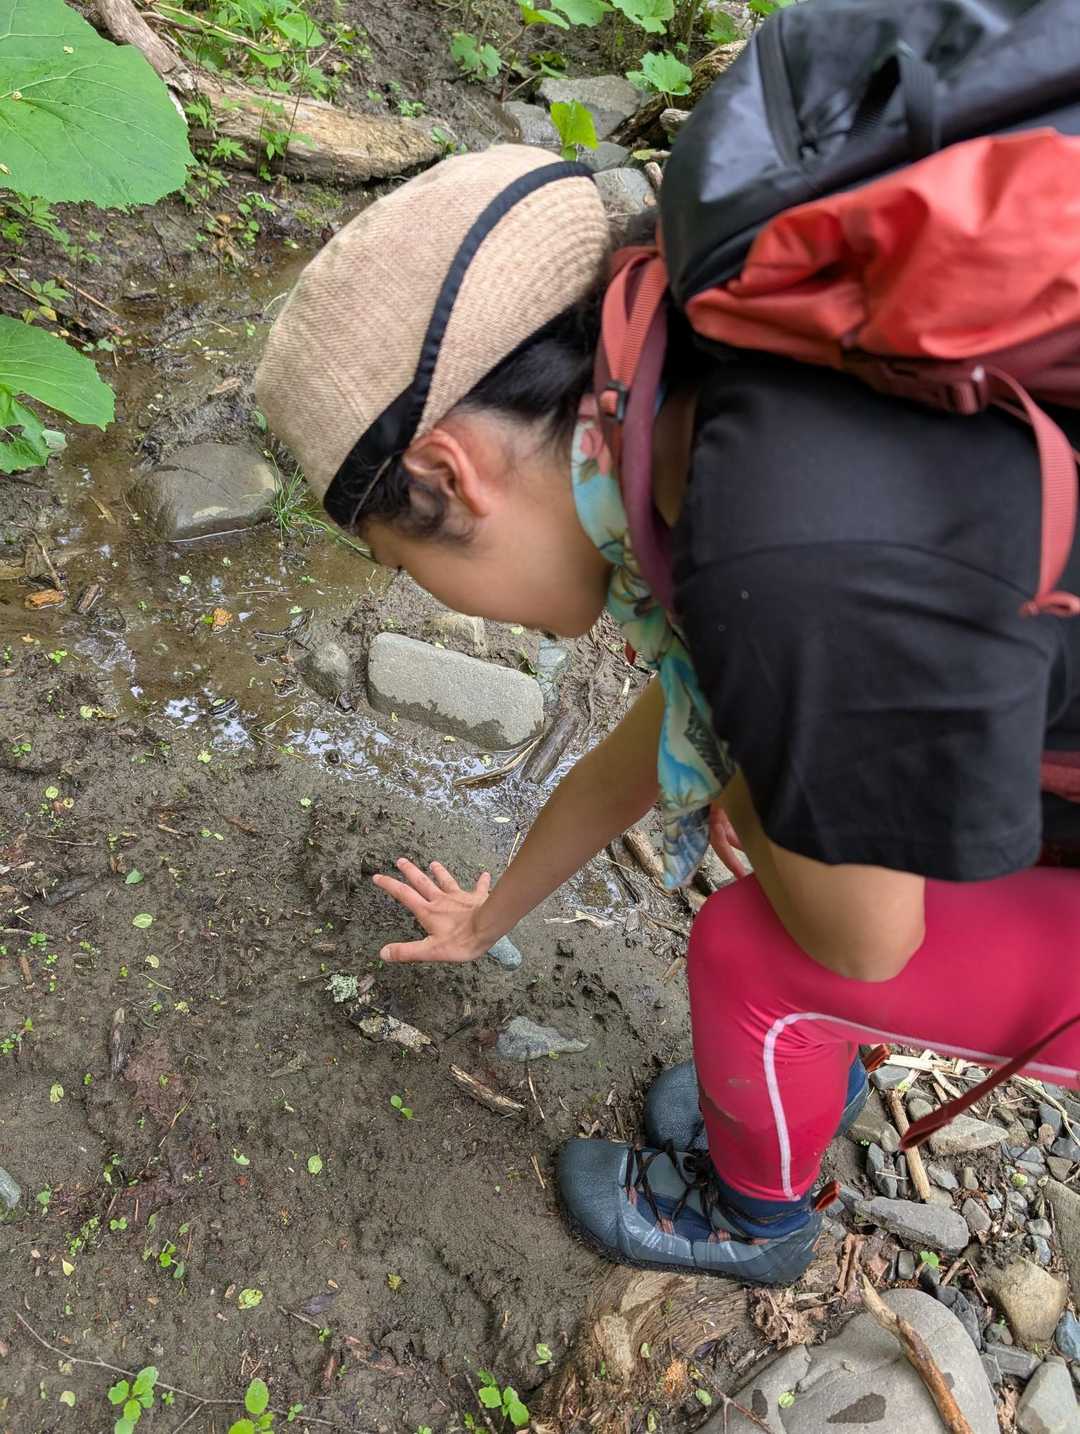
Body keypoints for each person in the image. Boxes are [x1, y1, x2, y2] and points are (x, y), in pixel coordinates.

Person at [256, 144, 1080, 1285]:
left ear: (452, 472)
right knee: (808, 858)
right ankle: (807, 1078)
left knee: (754, 954)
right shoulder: (700, 383)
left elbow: (863, 944)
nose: (430, 596)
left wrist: (760, 774)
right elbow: (668, 726)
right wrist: (495, 912)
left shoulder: (773, 567)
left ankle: (755, 1222)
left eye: (406, 564)